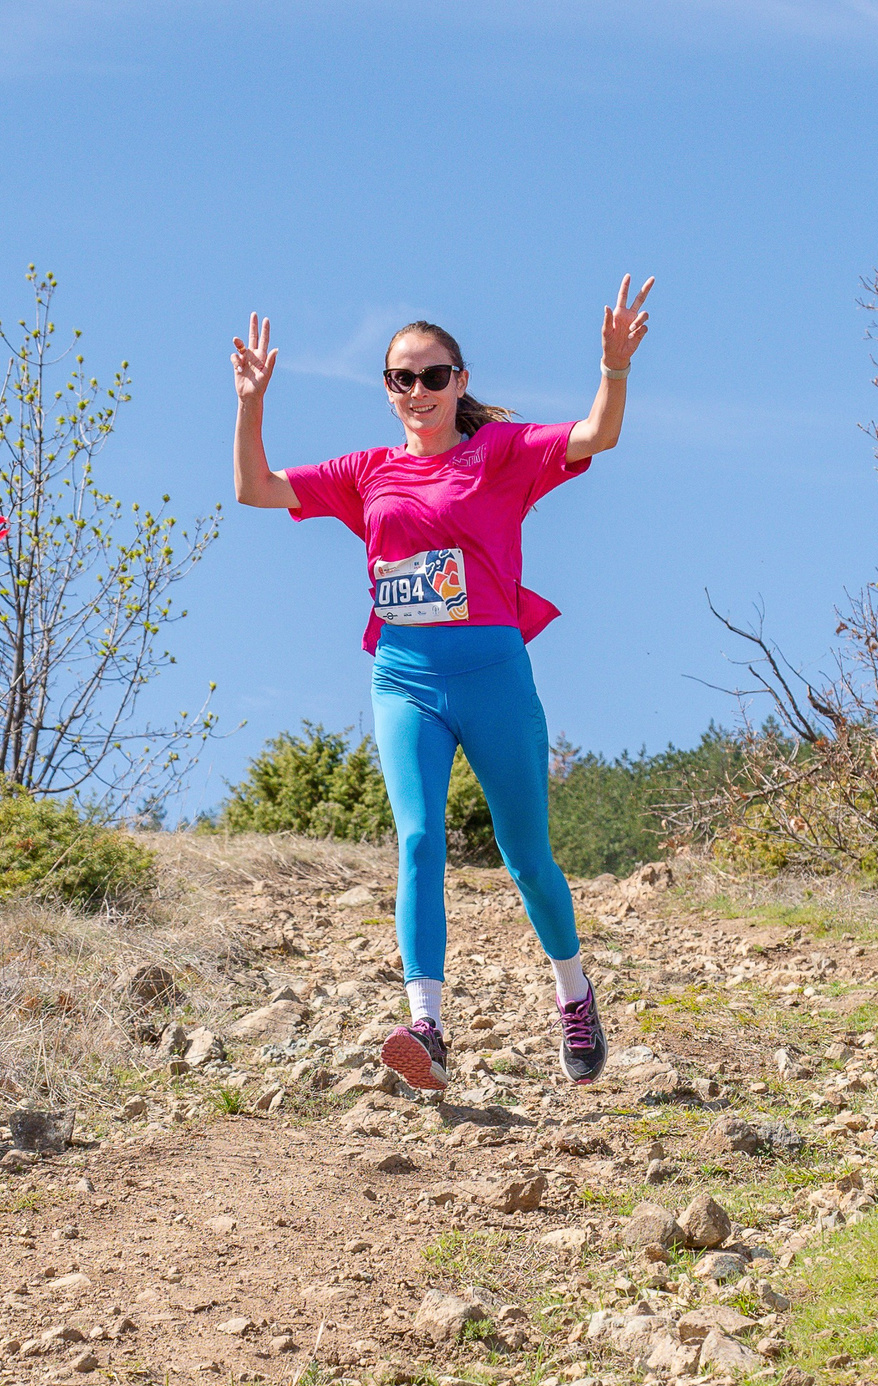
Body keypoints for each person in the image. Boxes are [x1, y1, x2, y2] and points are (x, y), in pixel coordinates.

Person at [229, 277, 654, 1093]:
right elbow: (257, 488)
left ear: (460, 381)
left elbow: (598, 434)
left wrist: (616, 369)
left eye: (432, 376)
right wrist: (251, 403)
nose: (417, 391)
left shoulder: (500, 453)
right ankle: (426, 1022)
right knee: (419, 840)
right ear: (387, 391)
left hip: (492, 672)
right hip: (404, 676)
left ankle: (574, 992)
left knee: (526, 857)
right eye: (401, 378)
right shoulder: (365, 472)